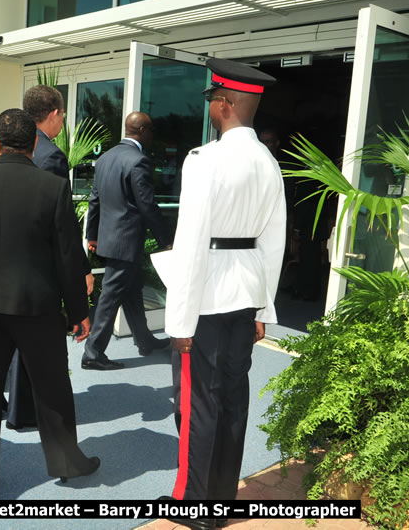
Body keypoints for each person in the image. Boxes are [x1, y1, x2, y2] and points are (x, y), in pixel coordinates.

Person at [151, 58, 286, 530]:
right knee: (232, 399)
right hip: (246, 293)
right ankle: (222, 500)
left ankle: (194, 504)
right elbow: (274, 242)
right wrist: (263, 309)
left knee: (197, 404)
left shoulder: (204, 159)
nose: (210, 109)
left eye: (213, 102)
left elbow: (191, 243)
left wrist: (179, 323)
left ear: (226, 104)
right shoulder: (269, 163)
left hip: (207, 298)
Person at [0, 108, 100, 497]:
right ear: (34, 144)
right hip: (36, 305)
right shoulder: (52, 188)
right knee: (51, 389)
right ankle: (67, 463)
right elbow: (67, 256)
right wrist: (79, 314)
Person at [2, 84, 94, 429]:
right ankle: (34, 410)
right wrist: (80, 270)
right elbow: (63, 224)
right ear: (54, 114)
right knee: (40, 343)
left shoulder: (8, 149)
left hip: (10, 258)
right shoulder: (51, 156)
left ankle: (17, 406)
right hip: (41, 263)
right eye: (63, 116)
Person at [82, 111, 173, 370]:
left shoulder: (105, 158)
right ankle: (93, 353)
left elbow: (94, 200)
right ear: (143, 131)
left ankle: (144, 340)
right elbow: (147, 205)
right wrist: (166, 239)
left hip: (111, 240)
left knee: (132, 291)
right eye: (152, 130)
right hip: (126, 242)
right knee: (110, 298)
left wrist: (92, 235)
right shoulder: (138, 161)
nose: (152, 135)